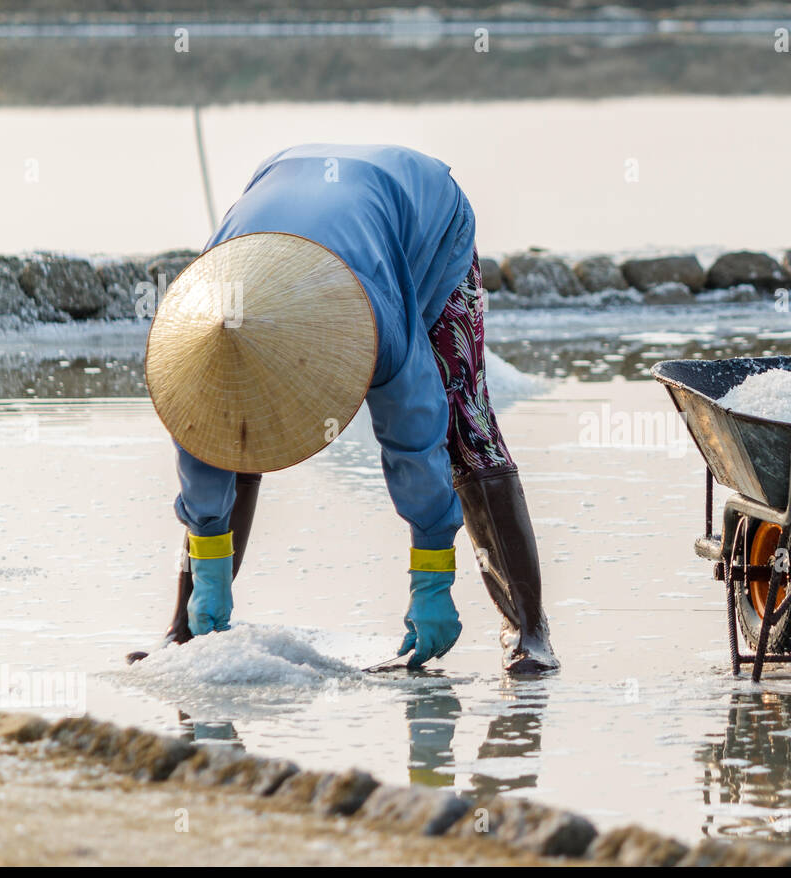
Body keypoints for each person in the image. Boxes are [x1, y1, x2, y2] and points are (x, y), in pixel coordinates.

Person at [131, 143, 557, 674]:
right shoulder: (204, 331)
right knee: (234, 429)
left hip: (424, 218)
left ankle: (529, 629)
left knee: (463, 424)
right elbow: (203, 447)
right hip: (282, 204)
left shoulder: (373, 319)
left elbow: (415, 432)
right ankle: (184, 626)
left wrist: (433, 579)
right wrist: (207, 580)